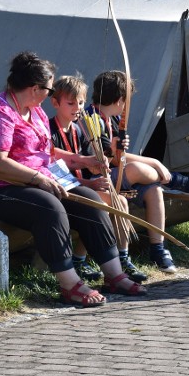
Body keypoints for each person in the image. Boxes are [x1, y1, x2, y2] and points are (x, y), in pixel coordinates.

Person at [0, 52, 146, 307]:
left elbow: (47, 153)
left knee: (90, 200)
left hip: (35, 182)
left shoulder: (35, 111)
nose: (50, 94)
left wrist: (81, 161)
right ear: (34, 88)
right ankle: (70, 283)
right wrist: (38, 177)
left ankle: (114, 274)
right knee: (49, 208)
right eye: (49, 89)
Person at [88, 70, 189, 276]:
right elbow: (115, 158)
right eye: (126, 101)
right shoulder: (92, 119)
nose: (126, 107)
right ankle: (174, 180)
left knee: (153, 190)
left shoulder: (111, 119)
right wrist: (155, 163)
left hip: (116, 175)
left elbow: (120, 156)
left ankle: (158, 249)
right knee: (137, 169)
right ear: (119, 100)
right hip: (97, 179)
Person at [48, 74, 112, 282]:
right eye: (71, 103)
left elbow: (86, 166)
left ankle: (120, 257)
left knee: (118, 201)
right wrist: (90, 183)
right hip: (62, 190)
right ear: (55, 103)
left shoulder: (78, 129)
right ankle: (78, 259)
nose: (77, 107)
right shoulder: (48, 130)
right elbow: (56, 172)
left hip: (78, 185)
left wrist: (99, 166)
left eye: (81, 102)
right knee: (100, 203)